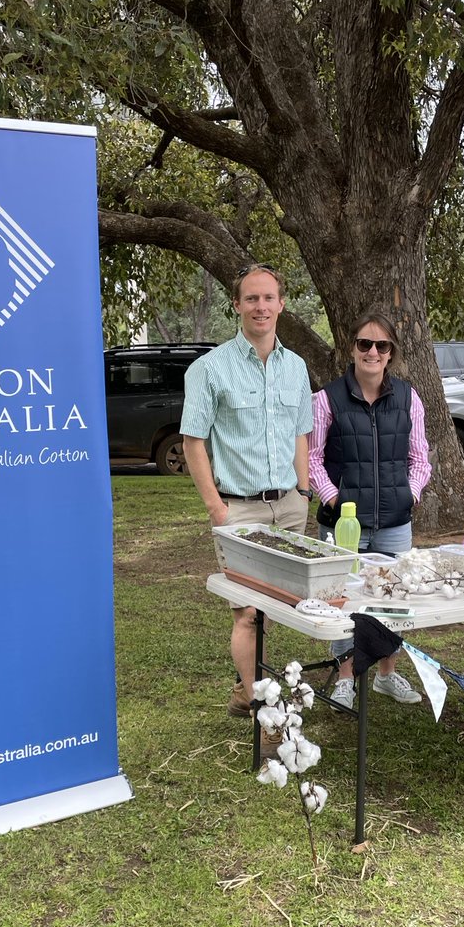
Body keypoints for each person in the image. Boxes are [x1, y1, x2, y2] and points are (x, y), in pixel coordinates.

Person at [180, 265, 313, 726]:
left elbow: (300, 433)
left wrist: (303, 491)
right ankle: (267, 715)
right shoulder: (209, 369)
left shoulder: (296, 367)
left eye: (268, 298)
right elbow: (192, 442)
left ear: (281, 304)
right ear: (236, 305)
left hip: (289, 507)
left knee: (275, 609)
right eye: (251, 298)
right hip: (238, 510)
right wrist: (217, 508)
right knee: (248, 613)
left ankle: (245, 690)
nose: (261, 307)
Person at [308, 312, 431, 706]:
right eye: (365, 343)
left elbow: (420, 459)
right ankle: (345, 678)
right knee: (342, 603)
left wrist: (409, 495)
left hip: (395, 524)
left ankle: (386, 674)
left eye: (382, 345)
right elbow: (312, 459)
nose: (372, 352)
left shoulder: (409, 398)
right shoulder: (326, 399)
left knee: (394, 602)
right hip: (343, 526)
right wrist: (333, 498)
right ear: (352, 349)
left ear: (391, 352)